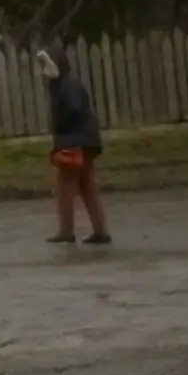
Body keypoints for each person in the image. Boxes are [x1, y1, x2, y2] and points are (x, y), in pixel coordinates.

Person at [36, 46, 110, 245]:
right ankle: (100, 231)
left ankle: (66, 230)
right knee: (86, 186)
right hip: (87, 140)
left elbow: (73, 109)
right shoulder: (68, 83)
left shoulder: (66, 85)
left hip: (74, 141)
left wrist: (59, 128)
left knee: (66, 185)